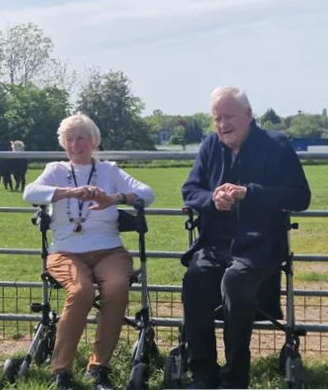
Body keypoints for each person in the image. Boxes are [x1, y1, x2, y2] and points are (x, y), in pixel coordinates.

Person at [180, 87, 311, 390]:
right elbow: (190, 190)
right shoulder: (210, 146)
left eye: (229, 117)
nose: (222, 124)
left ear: (249, 115)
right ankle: (203, 374)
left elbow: (300, 196)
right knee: (195, 278)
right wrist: (212, 199)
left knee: (235, 280)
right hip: (215, 244)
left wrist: (249, 193)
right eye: (217, 118)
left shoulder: (275, 145)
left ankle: (235, 378)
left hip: (260, 243)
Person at [23, 113, 155, 390]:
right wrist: (67, 193)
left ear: (94, 141)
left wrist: (114, 199)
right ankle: (61, 371)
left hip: (109, 249)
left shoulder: (109, 170)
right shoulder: (56, 170)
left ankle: (99, 369)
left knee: (117, 286)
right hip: (66, 252)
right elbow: (30, 193)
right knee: (81, 291)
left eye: (81, 137)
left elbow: (147, 193)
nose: (75, 144)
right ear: (63, 144)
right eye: (69, 139)